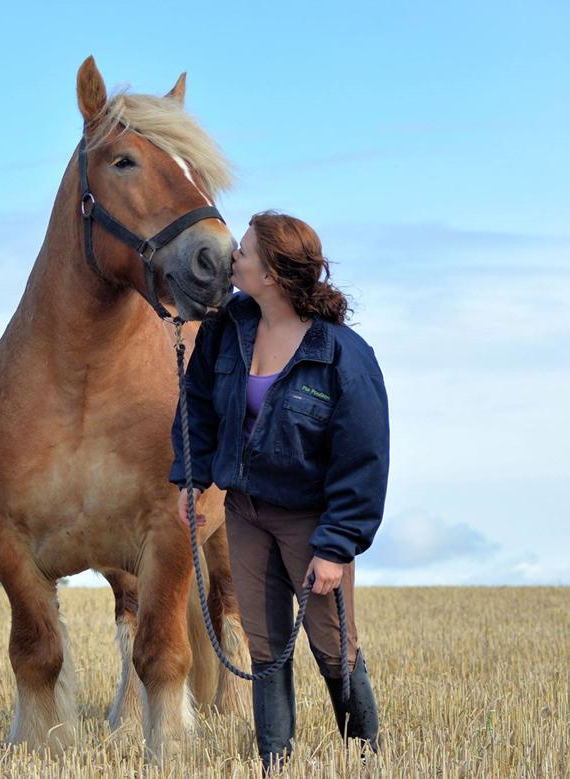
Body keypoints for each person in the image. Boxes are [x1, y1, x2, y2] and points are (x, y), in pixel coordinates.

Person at [168, 209, 389, 773]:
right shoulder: (229, 328)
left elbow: (363, 457)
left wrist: (336, 545)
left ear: (271, 273)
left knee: (332, 647)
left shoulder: (343, 355)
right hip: (245, 512)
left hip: (311, 523)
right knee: (265, 648)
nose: (232, 258)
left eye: (242, 251)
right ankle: (276, 763)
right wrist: (192, 481)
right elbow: (196, 403)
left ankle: (366, 755)